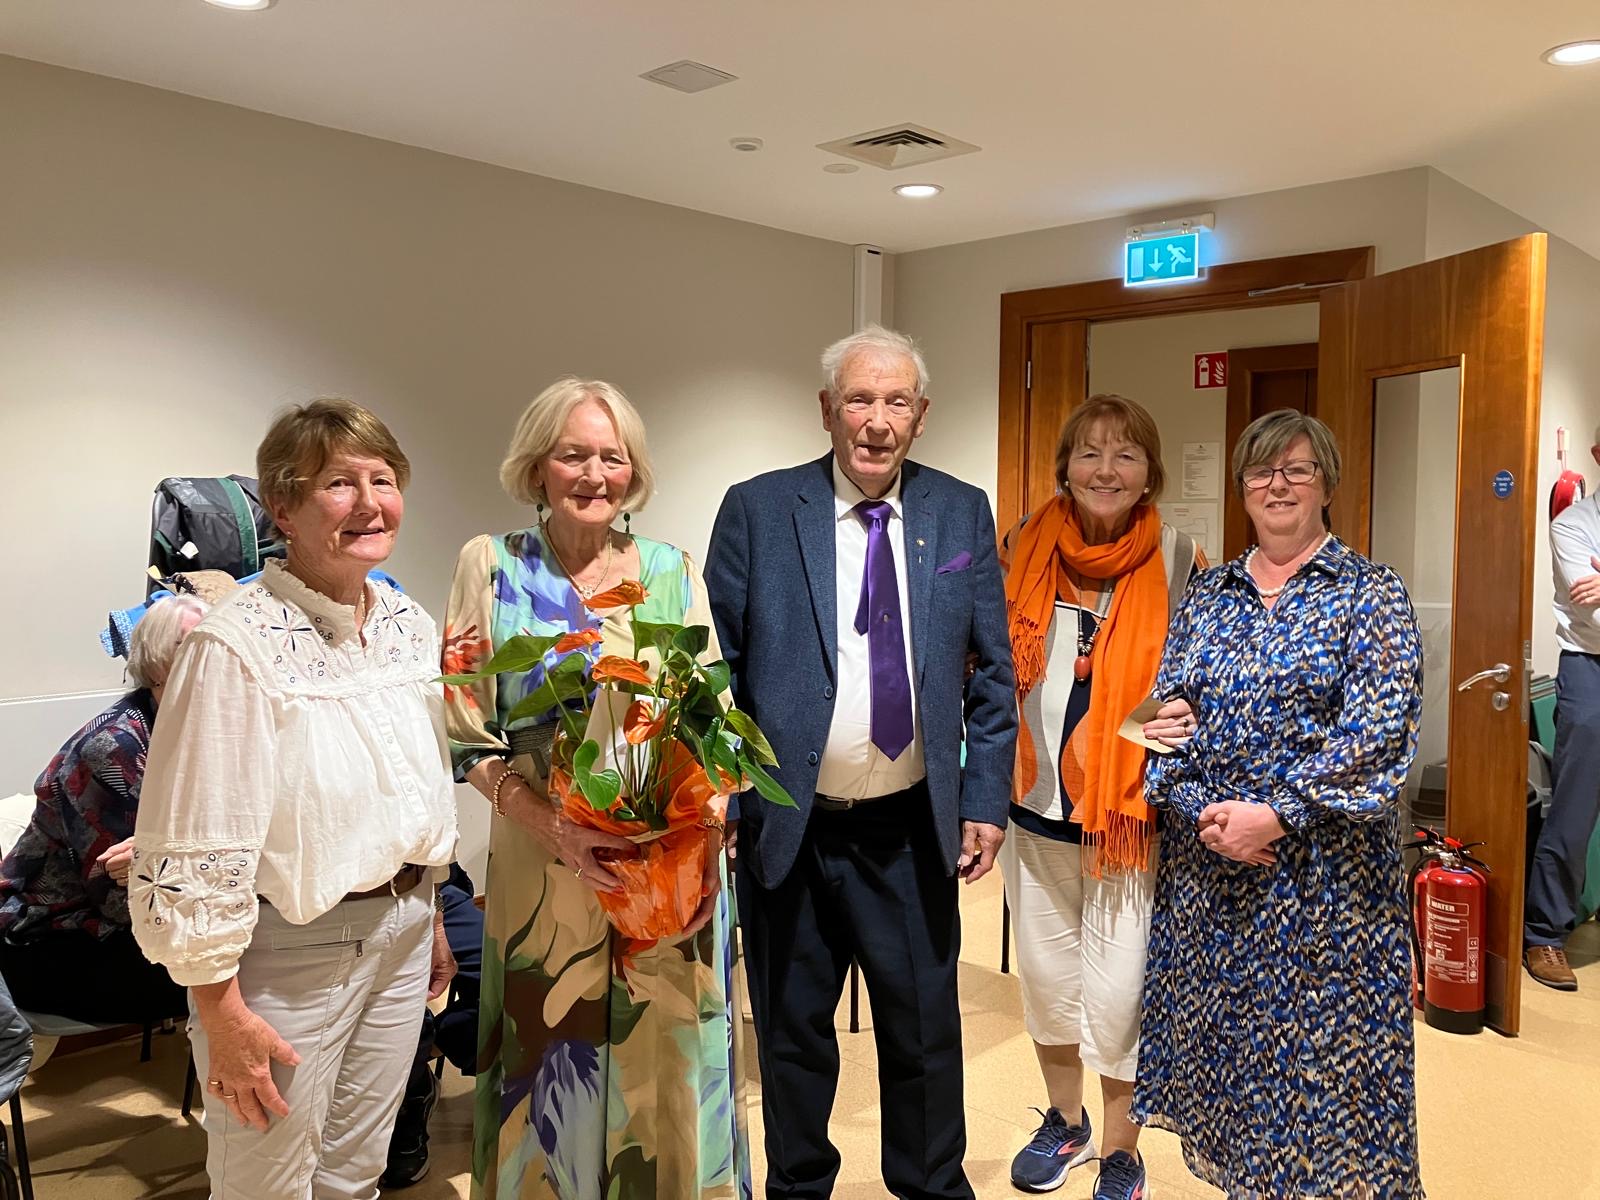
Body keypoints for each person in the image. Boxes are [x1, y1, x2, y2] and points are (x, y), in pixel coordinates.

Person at [705, 326, 1017, 1200]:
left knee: (923, 1041)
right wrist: (731, 795)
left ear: (921, 416)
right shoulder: (760, 509)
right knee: (794, 1042)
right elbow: (715, 670)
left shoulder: (959, 512)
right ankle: (797, 1190)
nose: (876, 421)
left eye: (896, 402)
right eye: (859, 399)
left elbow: (994, 671)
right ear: (826, 410)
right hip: (791, 832)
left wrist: (984, 801)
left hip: (910, 833)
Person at [131, 398, 459, 1199]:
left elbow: (410, 790)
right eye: (338, 484)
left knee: (354, 1173)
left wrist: (433, 911)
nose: (369, 503)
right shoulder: (234, 645)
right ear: (283, 506)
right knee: (265, 1183)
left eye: (383, 479)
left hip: (402, 930)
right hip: (288, 956)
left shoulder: (408, 625)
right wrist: (219, 1012)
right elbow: (194, 840)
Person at [444, 377, 747, 1199]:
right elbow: (462, 732)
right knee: (555, 1055)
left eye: (613, 458)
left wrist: (711, 817)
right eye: (574, 454)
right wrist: (550, 824)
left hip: (664, 859)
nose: (595, 474)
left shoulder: (669, 569)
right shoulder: (491, 565)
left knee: (665, 1054)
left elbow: (711, 715)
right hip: (547, 868)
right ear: (537, 465)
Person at [1133, 409, 1425, 1198]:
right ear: (1242, 490)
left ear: (1327, 481)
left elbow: (1377, 734)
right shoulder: (1210, 594)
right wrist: (1202, 808)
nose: (1278, 485)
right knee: (1235, 1077)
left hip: (1324, 888)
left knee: (1322, 1087)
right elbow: (1164, 720)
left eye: (1297, 469)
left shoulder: (1371, 593)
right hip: (1214, 881)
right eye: (1262, 471)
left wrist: (1277, 813)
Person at [997, 395, 1200, 1200]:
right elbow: (987, 662)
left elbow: (1195, 686)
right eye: (1089, 453)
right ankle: (1065, 1122)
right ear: (1064, 466)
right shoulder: (1022, 543)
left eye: (1124, 455)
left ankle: (1121, 1151)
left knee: (1118, 995)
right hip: (1032, 807)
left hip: (1127, 822)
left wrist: (1118, 745)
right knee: (1047, 983)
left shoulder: (1180, 557)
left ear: (1148, 472)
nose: (1105, 470)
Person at [0, 596, 207, 1024]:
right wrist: (176, 857)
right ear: (157, 665)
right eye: (194, 646)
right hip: (49, 942)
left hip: (112, 928)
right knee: (233, 973)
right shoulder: (117, 747)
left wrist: (169, 852)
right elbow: (127, 900)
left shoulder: (200, 729)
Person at [1524, 423, 1600, 990]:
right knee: (1576, 806)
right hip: (1590, 668)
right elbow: (1592, 613)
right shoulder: (1573, 525)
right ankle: (1546, 933)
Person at [383, 863, 485, 1190]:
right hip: (315, 908)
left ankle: (415, 1081)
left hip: (427, 890)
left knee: (510, 983)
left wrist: (436, 920)